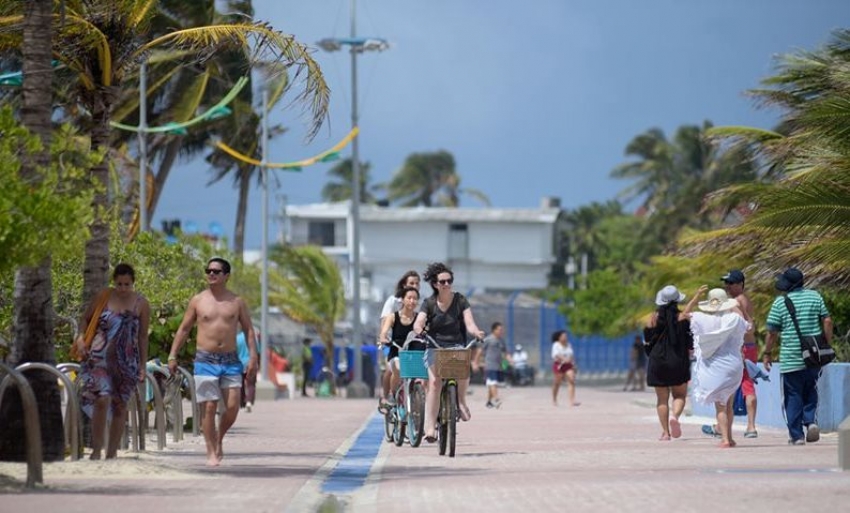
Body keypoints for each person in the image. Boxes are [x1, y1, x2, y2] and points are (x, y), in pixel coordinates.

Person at [167, 257, 258, 466]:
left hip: (230, 360)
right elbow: (184, 329)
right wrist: (173, 354)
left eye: (216, 272)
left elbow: (249, 330)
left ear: (226, 276)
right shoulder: (198, 300)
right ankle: (211, 451)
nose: (211, 275)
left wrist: (253, 357)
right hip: (205, 359)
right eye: (208, 271)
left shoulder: (237, 302)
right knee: (208, 407)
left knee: (233, 406)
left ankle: (219, 437)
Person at [76, 263, 151, 460]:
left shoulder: (141, 303)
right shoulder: (104, 297)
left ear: (133, 283)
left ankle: (111, 452)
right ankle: (96, 449)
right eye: (119, 284)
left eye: (127, 284)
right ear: (114, 282)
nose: (123, 288)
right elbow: (85, 319)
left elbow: (143, 336)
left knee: (119, 405)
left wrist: (143, 365)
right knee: (101, 399)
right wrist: (80, 338)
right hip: (99, 357)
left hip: (127, 361)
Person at [413, 262, 485, 443]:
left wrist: (476, 332)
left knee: (463, 368)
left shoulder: (460, 300)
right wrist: (419, 329)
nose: (446, 284)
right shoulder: (429, 303)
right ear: (435, 284)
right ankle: (430, 427)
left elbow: (469, 322)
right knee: (435, 383)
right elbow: (419, 322)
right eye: (442, 281)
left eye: (449, 281)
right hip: (434, 346)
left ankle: (460, 401)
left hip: (455, 346)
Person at [762, 267, 833, 445]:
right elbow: (827, 320)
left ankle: (797, 435)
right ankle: (810, 422)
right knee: (811, 389)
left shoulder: (780, 303)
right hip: (814, 356)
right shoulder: (815, 296)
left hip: (791, 357)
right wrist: (826, 342)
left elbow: (771, 332)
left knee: (793, 394)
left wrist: (767, 353)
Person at [686, 286, 747, 448]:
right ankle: (731, 437)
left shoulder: (703, 319)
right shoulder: (734, 319)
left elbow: (684, 315)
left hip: (715, 368)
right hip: (734, 365)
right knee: (729, 404)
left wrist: (695, 297)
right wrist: (733, 305)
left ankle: (725, 439)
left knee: (720, 405)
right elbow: (746, 321)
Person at [643, 285, 698, 441]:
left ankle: (666, 433)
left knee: (661, 399)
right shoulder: (683, 318)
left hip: (657, 362)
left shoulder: (652, 318)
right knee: (679, 395)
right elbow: (690, 343)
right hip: (678, 361)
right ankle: (675, 416)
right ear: (676, 301)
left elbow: (647, 341)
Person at [378, 271, 421, 406]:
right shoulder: (392, 301)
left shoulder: (419, 305)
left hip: (412, 346)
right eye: (411, 283)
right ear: (404, 285)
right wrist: (384, 337)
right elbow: (385, 323)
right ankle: (387, 396)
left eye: (417, 283)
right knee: (391, 369)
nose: (414, 286)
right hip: (393, 343)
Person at [476, 322, 510, 408]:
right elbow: (480, 351)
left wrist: (510, 360)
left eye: (502, 330)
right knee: (493, 383)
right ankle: (496, 399)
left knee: (492, 384)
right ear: (494, 330)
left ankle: (489, 402)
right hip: (490, 365)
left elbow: (505, 353)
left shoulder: (501, 341)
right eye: (499, 329)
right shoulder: (488, 339)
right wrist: (476, 362)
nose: (501, 331)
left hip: (498, 366)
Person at [551, 330, 579, 406]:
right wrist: (564, 359)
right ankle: (554, 399)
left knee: (571, 380)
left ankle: (572, 401)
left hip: (568, 365)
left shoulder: (569, 345)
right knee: (557, 383)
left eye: (566, 336)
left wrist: (574, 365)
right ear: (559, 337)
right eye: (563, 336)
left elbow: (571, 355)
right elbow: (556, 355)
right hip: (559, 365)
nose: (565, 337)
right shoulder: (556, 345)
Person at [236, 331, 257, 412]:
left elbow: (235, 351)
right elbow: (256, 351)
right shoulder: (252, 338)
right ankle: (249, 402)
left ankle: (241, 403)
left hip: (240, 363)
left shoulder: (237, 338)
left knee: (241, 384)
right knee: (251, 384)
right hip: (250, 362)